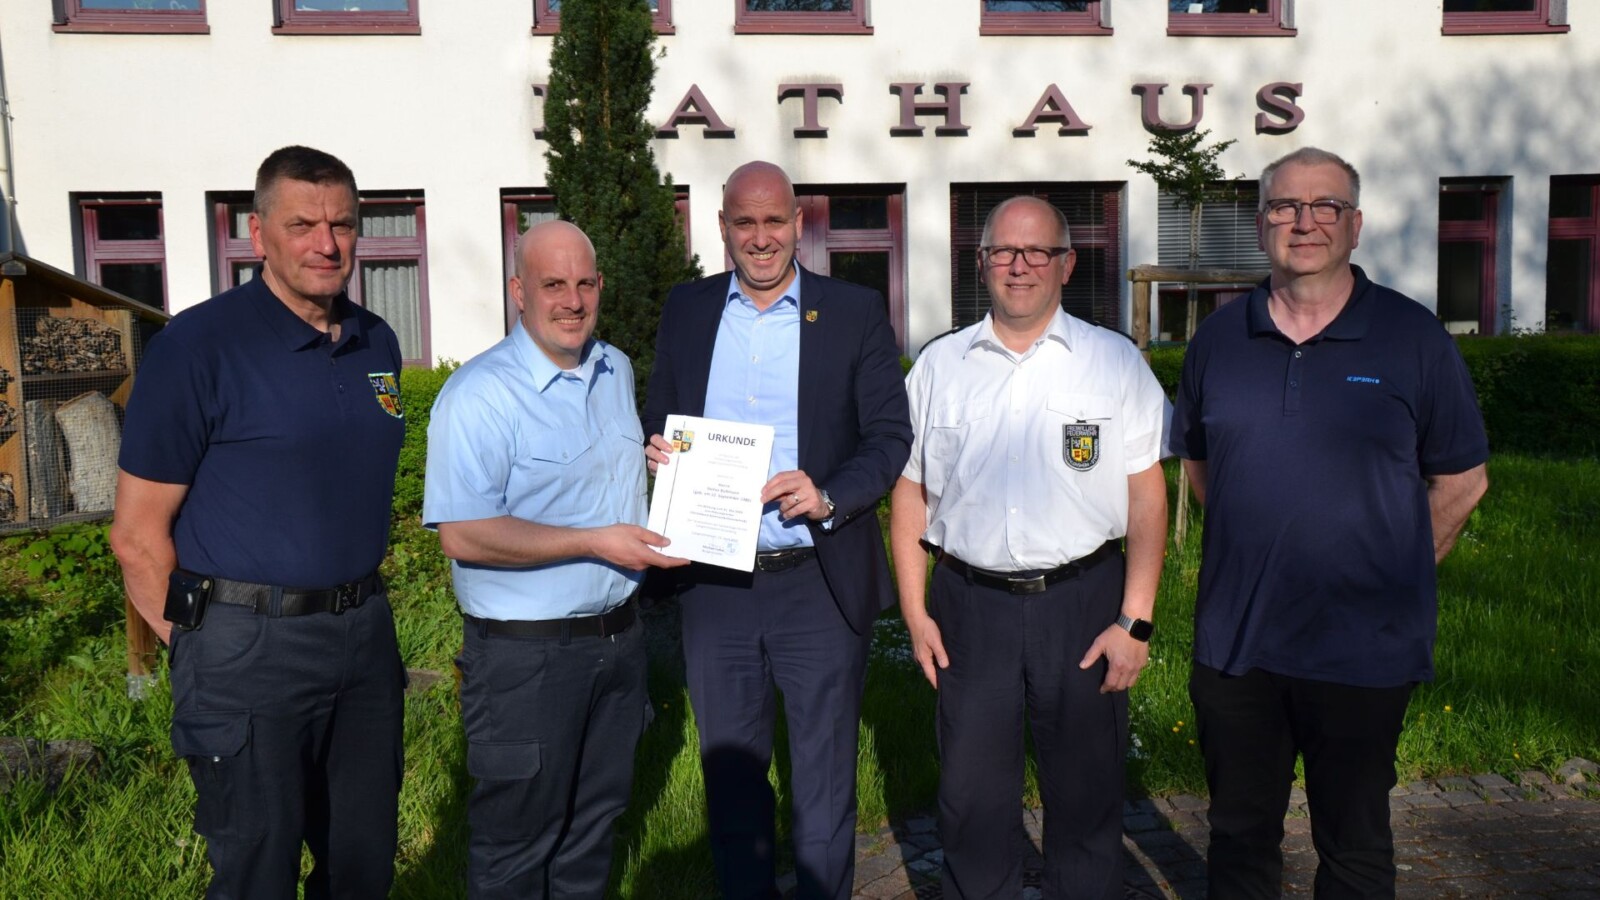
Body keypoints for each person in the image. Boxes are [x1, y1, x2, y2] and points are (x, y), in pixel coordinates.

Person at [1169, 147, 1490, 898]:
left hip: (1364, 645)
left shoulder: (1413, 339)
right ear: (1259, 226)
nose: (1304, 222)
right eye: (1285, 205)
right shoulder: (1219, 340)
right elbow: (1200, 466)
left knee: (1354, 844)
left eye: (1325, 208)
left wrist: (1394, 566)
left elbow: (1463, 479)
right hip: (1238, 645)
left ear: (1356, 227)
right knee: (1239, 836)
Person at [110, 146, 406, 899]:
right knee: (256, 874)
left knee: (363, 868)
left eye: (342, 223)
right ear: (258, 233)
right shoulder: (198, 347)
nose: (326, 243)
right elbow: (138, 536)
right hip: (246, 650)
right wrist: (206, 647)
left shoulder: (378, 341)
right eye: (302, 223)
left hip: (364, 639)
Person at [642, 160, 912, 900]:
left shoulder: (853, 312)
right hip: (714, 584)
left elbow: (889, 439)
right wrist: (656, 445)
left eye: (773, 221)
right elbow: (658, 411)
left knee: (824, 784)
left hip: (815, 584)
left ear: (798, 224)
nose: (760, 238)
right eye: (743, 222)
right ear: (723, 227)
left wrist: (827, 495)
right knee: (732, 778)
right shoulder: (688, 310)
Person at [889, 196, 1169, 900]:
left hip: (1083, 604)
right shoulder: (939, 366)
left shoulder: (1113, 362)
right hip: (969, 608)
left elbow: (1147, 497)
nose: (1020, 266)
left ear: (1067, 264)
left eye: (1037, 251)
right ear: (981, 263)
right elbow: (908, 496)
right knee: (971, 803)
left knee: (1087, 799)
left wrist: (1135, 619)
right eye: (1004, 252)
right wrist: (916, 614)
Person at [423, 219, 688, 898]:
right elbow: (462, 534)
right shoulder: (479, 395)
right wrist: (594, 541)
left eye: (583, 283)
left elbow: (599, 485)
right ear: (518, 291)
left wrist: (669, 471)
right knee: (516, 849)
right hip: (524, 663)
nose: (571, 300)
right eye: (552, 285)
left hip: (618, 647)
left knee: (592, 837)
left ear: (600, 287)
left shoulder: (615, 369)